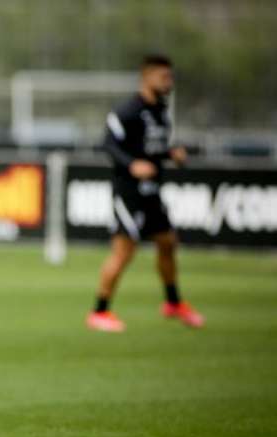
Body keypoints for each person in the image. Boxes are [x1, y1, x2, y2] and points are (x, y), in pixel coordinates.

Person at [86, 55, 204, 332]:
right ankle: (99, 312)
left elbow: (150, 150)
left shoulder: (161, 112)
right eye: (164, 76)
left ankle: (173, 302)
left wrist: (169, 153)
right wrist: (131, 164)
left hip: (152, 191)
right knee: (124, 251)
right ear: (147, 76)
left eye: (170, 77)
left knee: (167, 242)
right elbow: (107, 145)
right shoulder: (127, 111)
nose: (169, 82)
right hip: (129, 191)